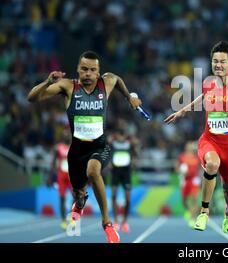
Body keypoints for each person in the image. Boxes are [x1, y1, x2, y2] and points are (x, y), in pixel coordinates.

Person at [27, 51, 142, 243]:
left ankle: (107, 224)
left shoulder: (107, 82)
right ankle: (79, 203)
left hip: (100, 147)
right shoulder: (68, 86)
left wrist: (128, 97)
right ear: (78, 70)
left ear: (98, 73)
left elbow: (118, 79)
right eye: (84, 69)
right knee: (78, 195)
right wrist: (47, 81)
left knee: (93, 171)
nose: (88, 73)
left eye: (93, 70)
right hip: (76, 153)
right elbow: (32, 98)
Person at [165, 41, 228, 233]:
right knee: (211, 164)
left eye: (222, 61)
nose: (218, 65)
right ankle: (203, 212)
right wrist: (183, 110)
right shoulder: (209, 83)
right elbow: (203, 98)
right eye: (215, 61)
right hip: (209, 140)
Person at [108, 125, 139, 234]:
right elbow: (106, 153)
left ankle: (125, 222)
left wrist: (135, 159)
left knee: (128, 198)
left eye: (123, 134)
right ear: (116, 134)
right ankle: (116, 221)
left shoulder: (130, 143)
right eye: (119, 134)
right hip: (115, 171)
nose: (121, 137)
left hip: (126, 172)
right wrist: (108, 163)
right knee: (113, 195)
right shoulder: (112, 142)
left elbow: (136, 154)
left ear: (126, 135)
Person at [47, 128, 72, 230]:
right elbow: (53, 163)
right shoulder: (57, 148)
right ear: (62, 137)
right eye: (64, 134)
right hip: (61, 175)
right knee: (62, 198)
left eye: (67, 134)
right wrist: (49, 177)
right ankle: (63, 221)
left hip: (72, 175)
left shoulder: (74, 147)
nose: (66, 136)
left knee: (75, 196)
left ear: (70, 136)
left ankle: (72, 217)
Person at [176, 141, 201, 227]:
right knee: (184, 200)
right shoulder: (181, 157)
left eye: (191, 146)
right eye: (188, 146)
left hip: (194, 180)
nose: (190, 147)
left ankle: (193, 218)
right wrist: (181, 172)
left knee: (194, 198)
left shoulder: (197, 157)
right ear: (186, 147)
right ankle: (190, 211)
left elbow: (200, 168)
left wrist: (201, 177)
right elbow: (177, 168)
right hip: (185, 180)